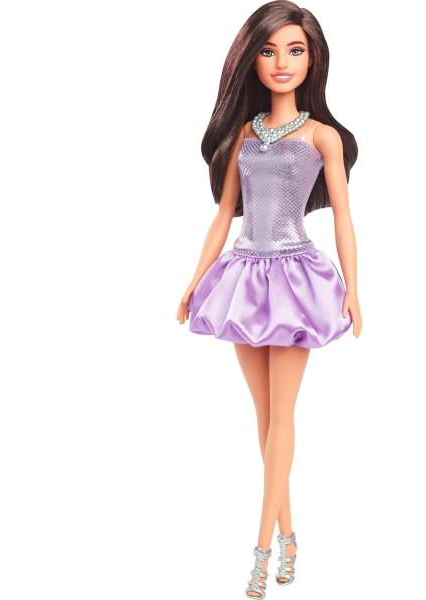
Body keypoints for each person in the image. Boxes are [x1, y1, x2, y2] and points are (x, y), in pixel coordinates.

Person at [176, 1, 363, 597]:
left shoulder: (321, 137)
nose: (282, 62)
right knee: (263, 416)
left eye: (295, 50)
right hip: (243, 279)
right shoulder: (243, 137)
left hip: (295, 282)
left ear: (313, 59)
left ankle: (261, 549)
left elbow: (343, 218)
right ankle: (289, 534)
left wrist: (355, 287)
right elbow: (224, 215)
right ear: (251, 60)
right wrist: (195, 279)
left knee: (283, 415)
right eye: (268, 50)